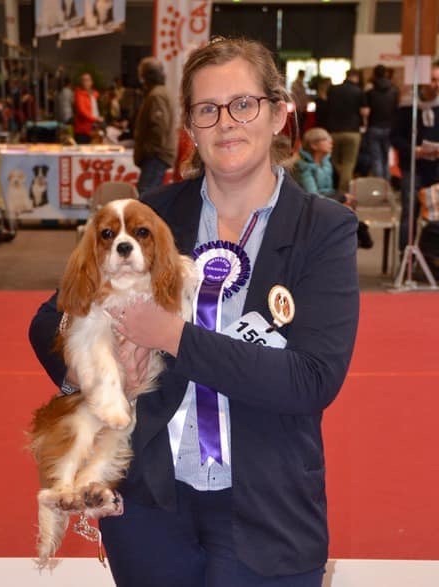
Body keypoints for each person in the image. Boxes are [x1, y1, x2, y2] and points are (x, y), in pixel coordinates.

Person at [29, 37, 359, 587]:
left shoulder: (323, 229)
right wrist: (87, 369)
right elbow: (49, 318)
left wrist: (171, 334)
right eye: (208, 109)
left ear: (279, 113)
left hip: (269, 512)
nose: (226, 123)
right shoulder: (147, 214)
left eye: (244, 104)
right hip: (151, 508)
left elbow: (311, 380)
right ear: (191, 125)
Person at [293, 127, 373, 248]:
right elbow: (313, 197)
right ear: (314, 145)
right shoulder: (303, 167)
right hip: (308, 211)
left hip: (323, 205)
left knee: (347, 212)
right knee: (346, 217)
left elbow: (328, 191)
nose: (331, 142)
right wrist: (340, 199)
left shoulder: (327, 163)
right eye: (325, 139)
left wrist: (343, 197)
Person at [391, 60, 439, 252]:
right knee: (410, 213)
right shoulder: (407, 107)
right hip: (413, 167)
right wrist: (415, 150)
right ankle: (406, 259)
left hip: (436, 167)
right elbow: (394, 137)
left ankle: (431, 257)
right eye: (434, 80)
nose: (436, 85)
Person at [133, 57, 176, 195]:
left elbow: (159, 128)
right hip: (157, 155)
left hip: (156, 156)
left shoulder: (156, 95)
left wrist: (147, 151)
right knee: (150, 195)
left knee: (145, 197)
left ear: (146, 77)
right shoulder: (160, 93)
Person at [326, 69, 369, 192]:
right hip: (352, 131)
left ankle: (331, 188)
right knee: (348, 164)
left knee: (332, 161)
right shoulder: (359, 91)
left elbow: (327, 107)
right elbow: (364, 112)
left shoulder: (333, 90)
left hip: (334, 131)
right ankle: (344, 192)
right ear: (356, 77)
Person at [364, 64, 399, 180]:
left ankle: (379, 185)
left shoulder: (370, 92)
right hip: (390, 127)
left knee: (376, 158)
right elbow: (396, 109)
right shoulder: (394, 91)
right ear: (386, 73)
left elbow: (366, 111)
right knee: (386, 158)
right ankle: (387, 184)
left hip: (374, 126)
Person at [73, 72, 103, 144]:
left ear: (91, 82)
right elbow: (82, 111)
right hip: (83, 130)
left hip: (95, 128)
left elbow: (98, 109)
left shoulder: (95, 94)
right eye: (84, 80)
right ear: (81, 82)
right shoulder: (79, 94)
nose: (86, 82)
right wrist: (96, 119)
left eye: (88, 80)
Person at [291, 69, 308, 136]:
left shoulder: (302, 83)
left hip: (302, 107)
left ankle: (300, 136)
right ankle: (296, 137)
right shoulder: (295, 84)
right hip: (298, 107)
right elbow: (295, 96)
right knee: (297, 124)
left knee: (302, 124)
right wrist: (299, 106)